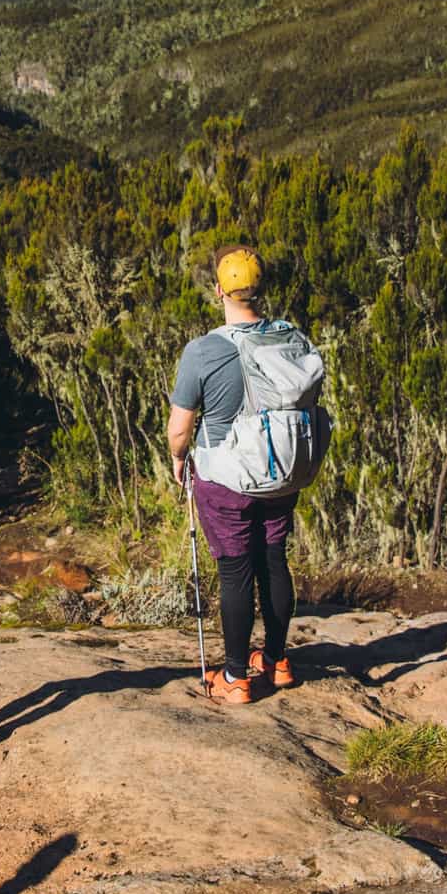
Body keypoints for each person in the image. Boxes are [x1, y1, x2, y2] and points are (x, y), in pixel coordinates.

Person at [167, 245, 299, 704]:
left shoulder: (203, 350)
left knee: (236, 569)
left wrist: (179, 460)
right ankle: (278, 661)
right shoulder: (290, 338)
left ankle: (236, 678)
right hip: (280, 471)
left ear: (220, 289)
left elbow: (180, 428)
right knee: (274, 559)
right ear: (259, 289)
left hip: (225, 476)